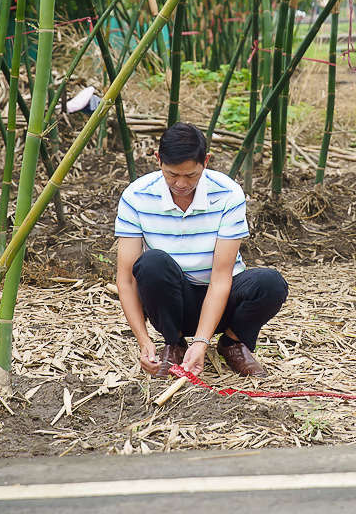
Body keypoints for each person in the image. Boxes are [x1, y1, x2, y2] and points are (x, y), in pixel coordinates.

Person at [114, 122, 287, 378]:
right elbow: (127, 279)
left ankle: (232, 343)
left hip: (221, 300)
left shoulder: (228, 193)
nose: (181, 183)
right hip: (173, 302)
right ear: (158, 159)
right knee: (152, 263)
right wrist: (144, 341)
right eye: (172, 174)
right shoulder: (136, 196)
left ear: (206, 161)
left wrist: (202, 341)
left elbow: (220, 278)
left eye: (191, 175)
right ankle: (174, 343)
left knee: (270, 283)